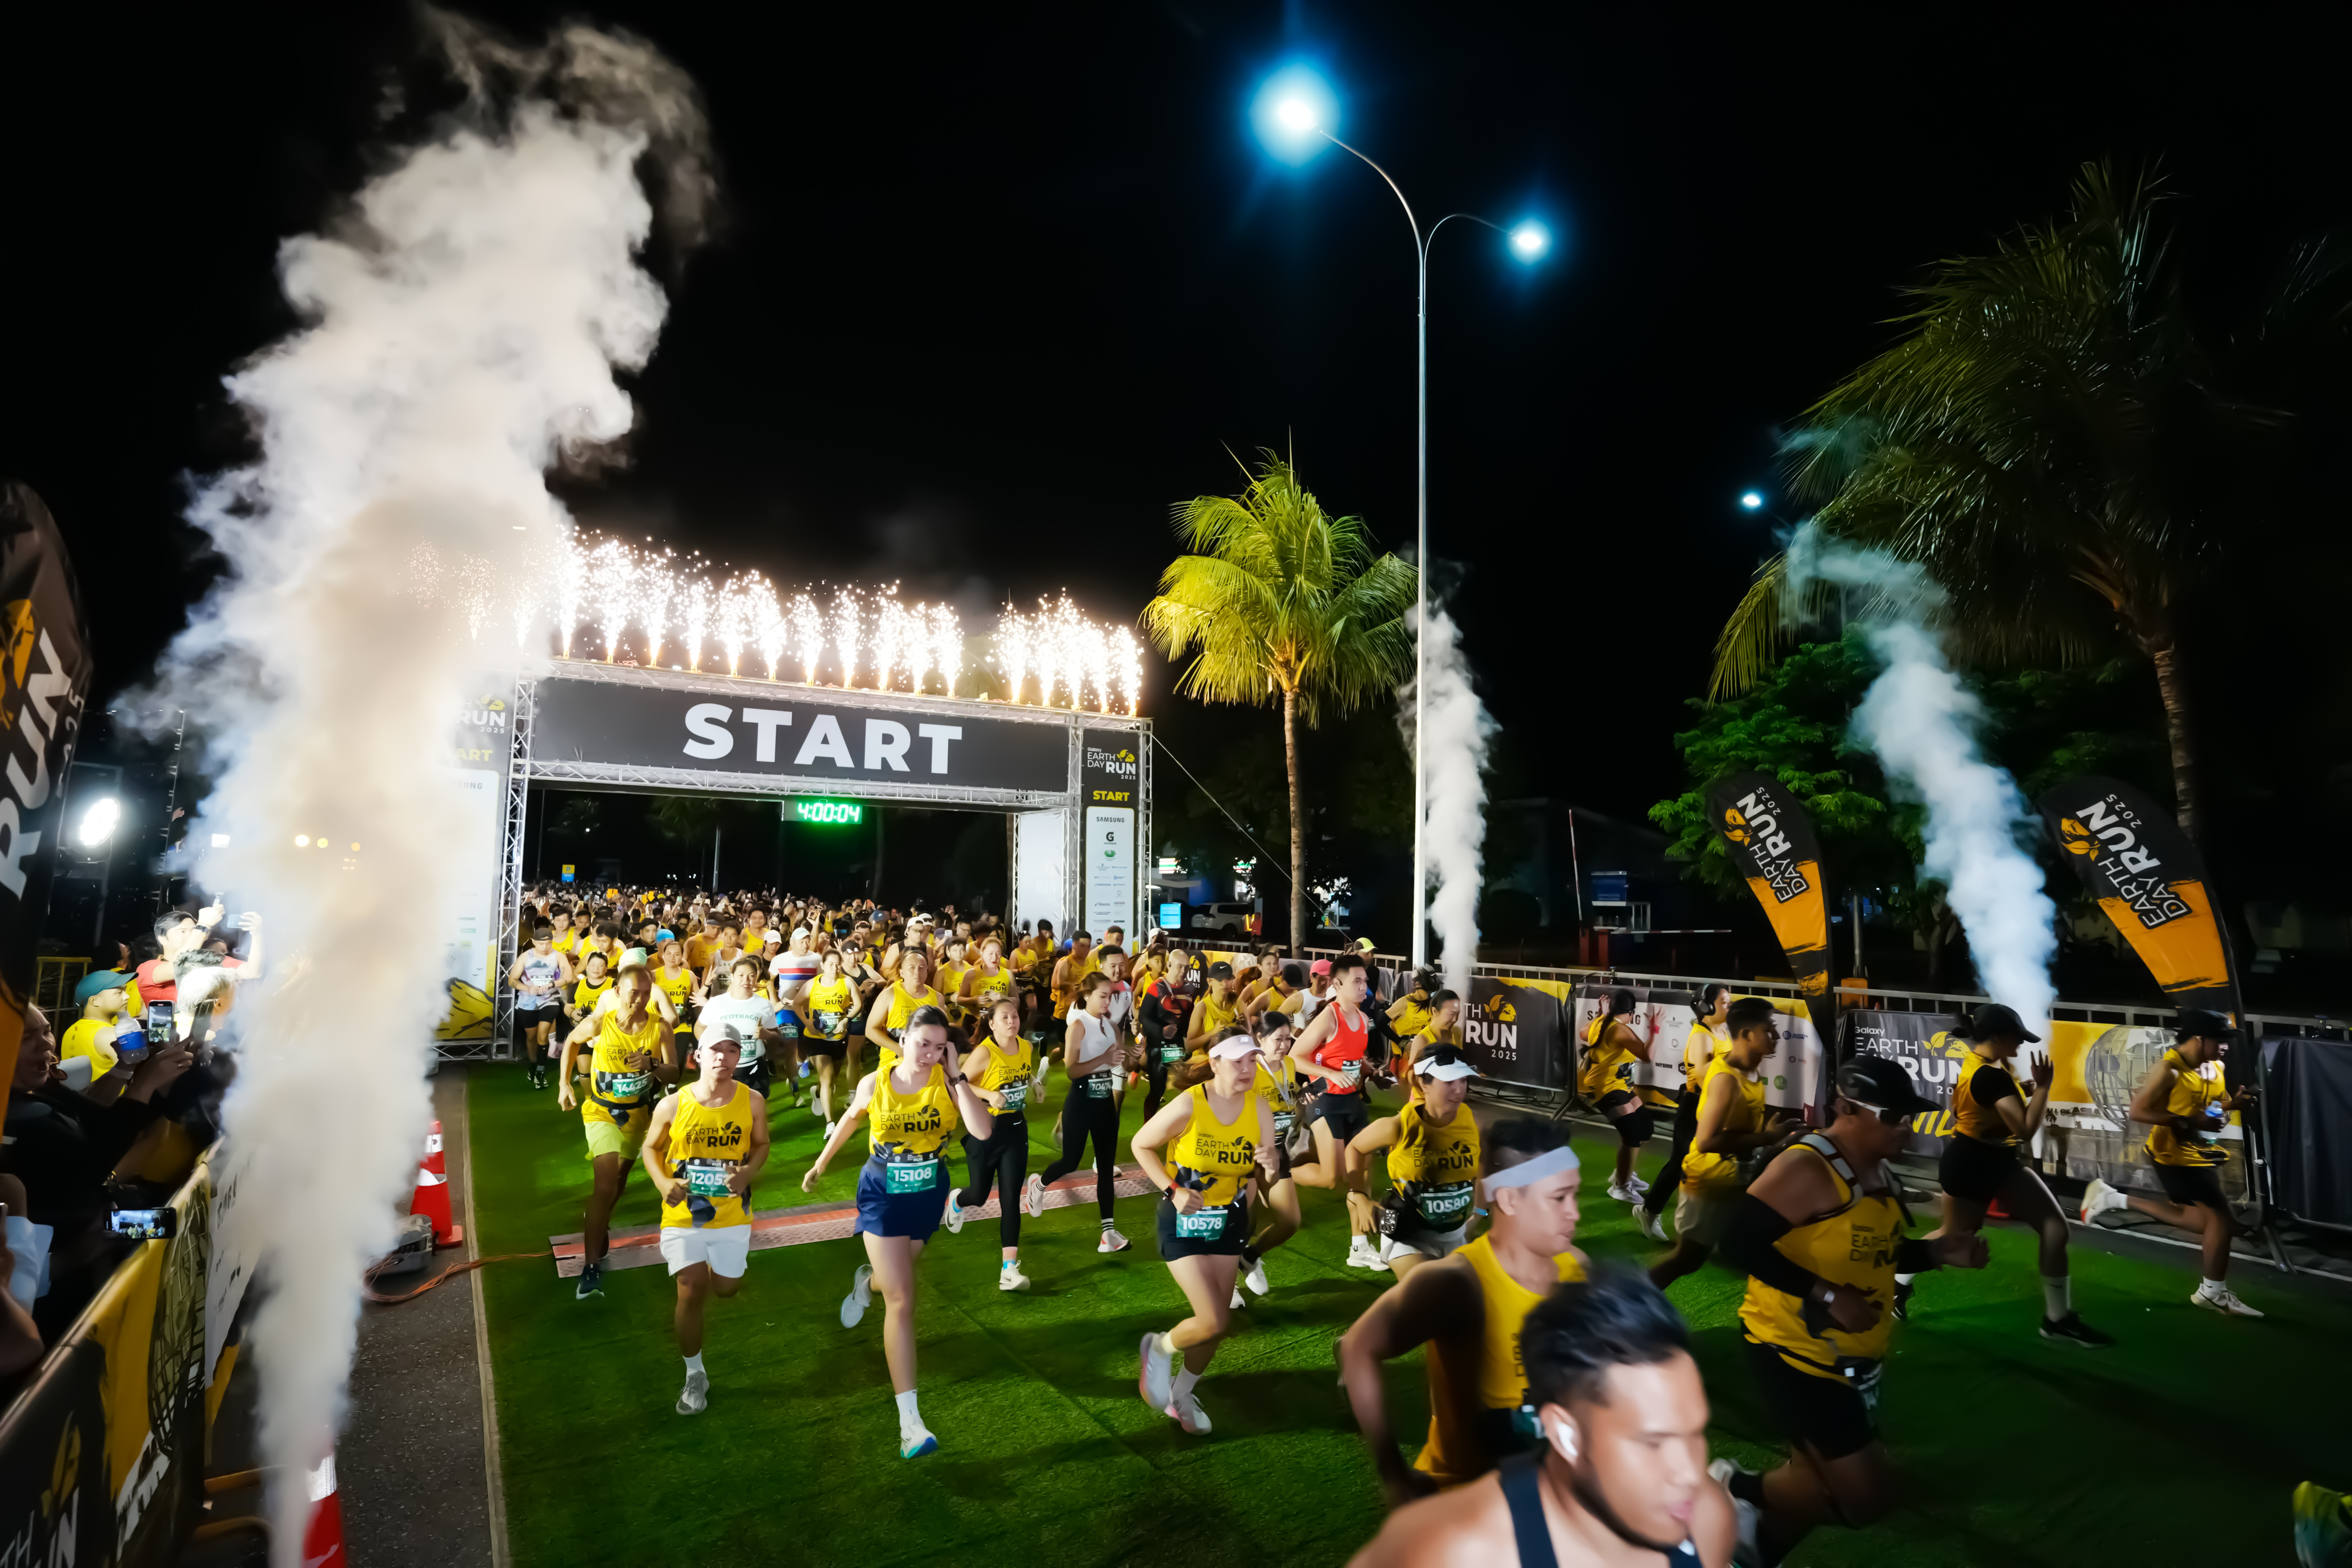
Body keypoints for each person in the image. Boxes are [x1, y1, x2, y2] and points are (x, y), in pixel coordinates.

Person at [1713, 1055, 1987, 1566]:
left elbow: (1878, 1252)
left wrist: (1937, 1253)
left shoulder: (1877, 1171)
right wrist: (1828, 1295)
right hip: (1795, 1350)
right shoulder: (1808, 1167)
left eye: (1909, 1116)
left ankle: (1752, 1552)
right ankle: (1731, 1488)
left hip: (1851, 1358)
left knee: (1816, 1480)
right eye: (1893, 1116)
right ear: (1847, 1109)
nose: (1906, 1127)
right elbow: (1737, 1241)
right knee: (1865, 1497)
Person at [1349, 1267, 1733, 1568]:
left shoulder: (1708, 1518)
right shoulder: (1453, 1550)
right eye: (1653, 1443)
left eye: (1695, 1433)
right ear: (1566, 1435)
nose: (1689, 1473)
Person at [1338, 1118, 1590, 1501]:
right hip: (1468, 1498)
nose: (1575, 1213)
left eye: (1575, 1195)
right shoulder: (1458, 1282)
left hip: (1551, 1492)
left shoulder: (1578, 1269)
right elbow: (1357, 1347)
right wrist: (1394, 1475)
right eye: (1559, 1198)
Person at [800, 1005, 995, 1457]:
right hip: (882, 1195)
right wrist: (821, 1164)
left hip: (928, 1194)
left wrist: (957, 1075)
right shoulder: (876, 1083)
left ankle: (865, 1283)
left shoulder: (949, 1083)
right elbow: (853, 1118)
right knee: (903, 1297)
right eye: (923, 1043)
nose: (930, 1054)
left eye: (939, 1047)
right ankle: (911, 1423)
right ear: (903, 1039)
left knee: (892, 1280)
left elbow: (982, 1131)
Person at [1913, 1002, 2112, 1344]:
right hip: (1972, 1164)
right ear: (1996, 1037)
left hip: (1996, 1160)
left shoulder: (1987, 1065)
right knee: (1955, 1237)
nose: (2021, 1043)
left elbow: (1990, 1102)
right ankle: (1897, 1279)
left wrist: (2027, 1090)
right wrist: (2044, 1087)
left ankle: (2057, 1320)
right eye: (2016, 1037)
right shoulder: (1992, 1076)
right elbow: (2024, 1129)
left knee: (2055, 1228)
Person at [3, 1004, 193, 1336]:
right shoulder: (14, 1119)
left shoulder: (39, 1088)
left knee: (183, 1221)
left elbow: (94, 1116)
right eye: (27, 1038)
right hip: (70, 1258)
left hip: (104, 1223)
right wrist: (142, 1086)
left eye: (46, 1031)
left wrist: (134, 1072)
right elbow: (94, 1158)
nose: (46, 1044)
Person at [1131, 1027, 1281, 1436]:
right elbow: (1141, 1145)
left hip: (1228, 1222)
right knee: (1212, 1318)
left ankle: (1181, 1394)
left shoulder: (1260, 1108)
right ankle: (1158, 1347)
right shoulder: (1190, 1103)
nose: (1248, 1069)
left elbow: (1265, 1174)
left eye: (1252, 1060)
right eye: (1237, 1061)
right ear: (1215, 1063)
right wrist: (1173, 1190)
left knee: (1218, 1325)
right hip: (1183, 1223)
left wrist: (1271, 1165)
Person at [2082, 1007, 2264, 1318]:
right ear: (2199, 1038)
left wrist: (2232, 1105)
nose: (2226, 1047)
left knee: (2200, 1221)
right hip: (2173, 1157)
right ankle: (2212, 1293)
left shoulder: (2216, 1067)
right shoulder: (2169, 1069)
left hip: (2199, 1154)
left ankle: (2112, 1198)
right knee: (2222, 1221)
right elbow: (2138, 1112)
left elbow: (2211, 1108)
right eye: (2220, 1040)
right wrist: (2191, 1121)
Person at [641, 1021, 770, 1416]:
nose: (723, 1057)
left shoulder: (752, 1101)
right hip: (684, 1218)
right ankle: (695, 1374)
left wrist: (747, 1173)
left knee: (726, 1288)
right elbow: (651, 1148)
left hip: (733, 1215)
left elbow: (762, 1144)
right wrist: (664, 1182)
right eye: (716, 1049)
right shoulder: (673, 1105)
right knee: (691, 1287)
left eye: (732, 1050)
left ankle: (716, 1270)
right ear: (697, 1055)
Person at [1648, 997, 1799, 1291]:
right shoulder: (1726, 1080)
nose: (1777, 1035)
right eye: (1769, 1029)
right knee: (1687, 1260)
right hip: (1710, 1183)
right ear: (1747, 1034)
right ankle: (1626, 1305)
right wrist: (1767, 1138)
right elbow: (1706, 1141)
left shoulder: (1751, 1068)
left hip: (1738, 1177)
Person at [558, 955, 678, 1301]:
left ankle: (600, 1220)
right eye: (632, 992)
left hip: (638, 1115)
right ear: (617, 991)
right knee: (605, 1181)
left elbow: (674, 1071)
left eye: (645, 993)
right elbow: (572, 1042)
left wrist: (652, 1064)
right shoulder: (599, 1024)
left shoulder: (661, 1028)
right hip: (602, 1112)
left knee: (619, 1181)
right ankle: (591, 1269)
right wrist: (565, 1084)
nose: (639, 999)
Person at [1348, 1047, 1483, 1279]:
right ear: (1423, 1083)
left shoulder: (1472, 1122)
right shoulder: (1400, 1125)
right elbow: (1355, 1148)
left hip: (1455, 1235)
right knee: (1431, 1290)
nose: (1459, 1089)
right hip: (1407, 1234)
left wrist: (1479, 1212)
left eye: (1463, 1080)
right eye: (1449, 1082)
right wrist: (1358, 1195)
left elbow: (1483, 1167)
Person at [1289, 951, 1383, 1267]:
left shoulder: (1364, 1019)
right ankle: (1278, 1174)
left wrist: (1374, 1072)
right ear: (1338, 984)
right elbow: (1295, 1056)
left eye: (1365, 981)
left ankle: (1360, 1247)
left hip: (1352, 1101)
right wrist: (1328, 1074)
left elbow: (1353, 1058)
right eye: (1357, 982)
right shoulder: (1330, 1017)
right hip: (1325, 1102)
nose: (1364, 987)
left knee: (1363, 1173)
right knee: (1332, 1178)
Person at [946, 996, 1043, 1289]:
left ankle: (1008, 1269)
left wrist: (1035, 1084)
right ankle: (958, 1201)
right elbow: (957, 1083)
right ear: (991, 1024)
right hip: (985, 1130)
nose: (1012, 1021)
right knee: (979, 1194)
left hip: (1016, 1129)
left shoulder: (1025, 1046)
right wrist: (989, 1095)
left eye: (1015, 1016)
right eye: (1005, 1018)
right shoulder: (985, 1053)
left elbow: (1023, 1073)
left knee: (1010, 1198)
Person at [1037, 972, 1131, 1253]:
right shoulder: (1078, 1026)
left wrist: (1134, 1055)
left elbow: (1121, 1060)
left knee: (1106, 1167)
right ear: (1088, 996)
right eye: (1102, 996)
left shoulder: (1112, 1027)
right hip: (1080, 1101)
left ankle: (1109, 1234)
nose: (1108, 1002)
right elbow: (1071, 1070)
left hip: (1105, 1103)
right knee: (1070, 1161)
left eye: (1110, 997)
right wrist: (1104, 1059)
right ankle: (1039, 1185)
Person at [1638, 985, 1727, 1243]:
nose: (1729, 1005)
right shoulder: (1701, 1037)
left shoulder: (1723, 1031)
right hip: (1696, 1106)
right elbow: (1703, 1078)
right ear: (1707, 1006)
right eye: (1724, 1001)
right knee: (1682, 1162)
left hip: (1715, 1105)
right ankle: (1649, 1211)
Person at [1236, 1009, 1307, 1301]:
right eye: (1278, 1039)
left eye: (1288, 1039)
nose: (1285, 1045)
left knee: (1290, 1222)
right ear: (1260, 1039)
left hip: (1277, 1150)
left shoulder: (1290, 1064)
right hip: (1247, 1153)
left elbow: (1291, 1102)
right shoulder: (1252, 1069)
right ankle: (1226, 1284)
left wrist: (1304, 1102)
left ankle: (1250, 1257)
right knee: (1244, 1224)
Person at [1581, 990, 1656, 1205]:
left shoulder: (1602, 1022)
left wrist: (1600, 1015)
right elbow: (1647, 1055)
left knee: (1645, 1128)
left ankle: (1624, 1172)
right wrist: (1655, 1029)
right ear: (1631, 1012)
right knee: (1632, 1132)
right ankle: (1621, 1187)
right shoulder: (1620, 1030)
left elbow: (1583, 1034)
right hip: (1604, 1088)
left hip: (1619, 1086)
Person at [793, 947, 860, 1136]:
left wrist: (846, 1020)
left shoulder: (847, 982)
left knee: (832, 1080)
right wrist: (807, 1021)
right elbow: (797, 1004)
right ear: (823, 965)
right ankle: (830, 1124)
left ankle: (817, 1093)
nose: (835, 968)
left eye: (838, 964)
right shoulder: (813, 984)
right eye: (831, 964)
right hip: (816, 1039)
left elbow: (859, 1004)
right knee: (828, 1077)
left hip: (838, 1039)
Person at [508, 925, 573, 1090]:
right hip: (527, 1002)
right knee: (531, 1037)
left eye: (549, 943)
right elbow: (512, 981)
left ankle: (540, 1072)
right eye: (541, 944)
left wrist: (552, 984)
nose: (545, 947)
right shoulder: (525, 957)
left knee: (542, 1036)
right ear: (533, 942)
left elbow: (569, 977)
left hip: (550, 1000)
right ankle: (533, 1064)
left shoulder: (558, 956)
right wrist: (528, 988)